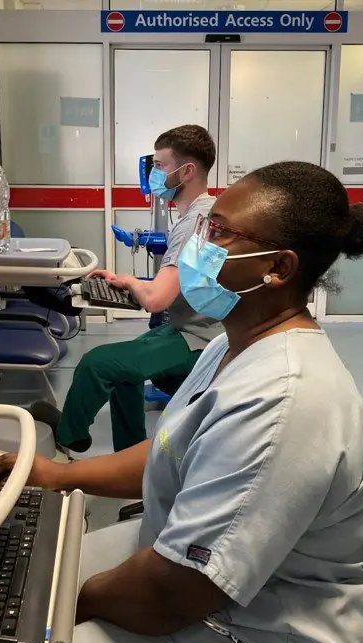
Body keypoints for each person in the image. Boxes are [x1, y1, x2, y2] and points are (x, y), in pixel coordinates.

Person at [0, 161, 363, 643]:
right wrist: (58, 476)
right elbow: (169, 453)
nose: (200, 246)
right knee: (20, 577)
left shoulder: (287, 402)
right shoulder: (232, 343)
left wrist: (64, 606)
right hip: (215, 593)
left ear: (277, 268)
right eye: (206, 226)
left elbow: (170, 594)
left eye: (222, 234)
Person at [31, 124, 222, 454]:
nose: (154, 174)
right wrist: (125, 283)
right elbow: (175, 286)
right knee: (124, 374)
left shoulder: (194, 222)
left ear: (187, 171)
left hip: (200, 340)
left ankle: (67, 438)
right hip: (190, 327)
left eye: (160, 166)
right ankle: (130, 454)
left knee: (97, 363)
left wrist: (132, 283)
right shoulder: (201, 212)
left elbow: (157, 300)